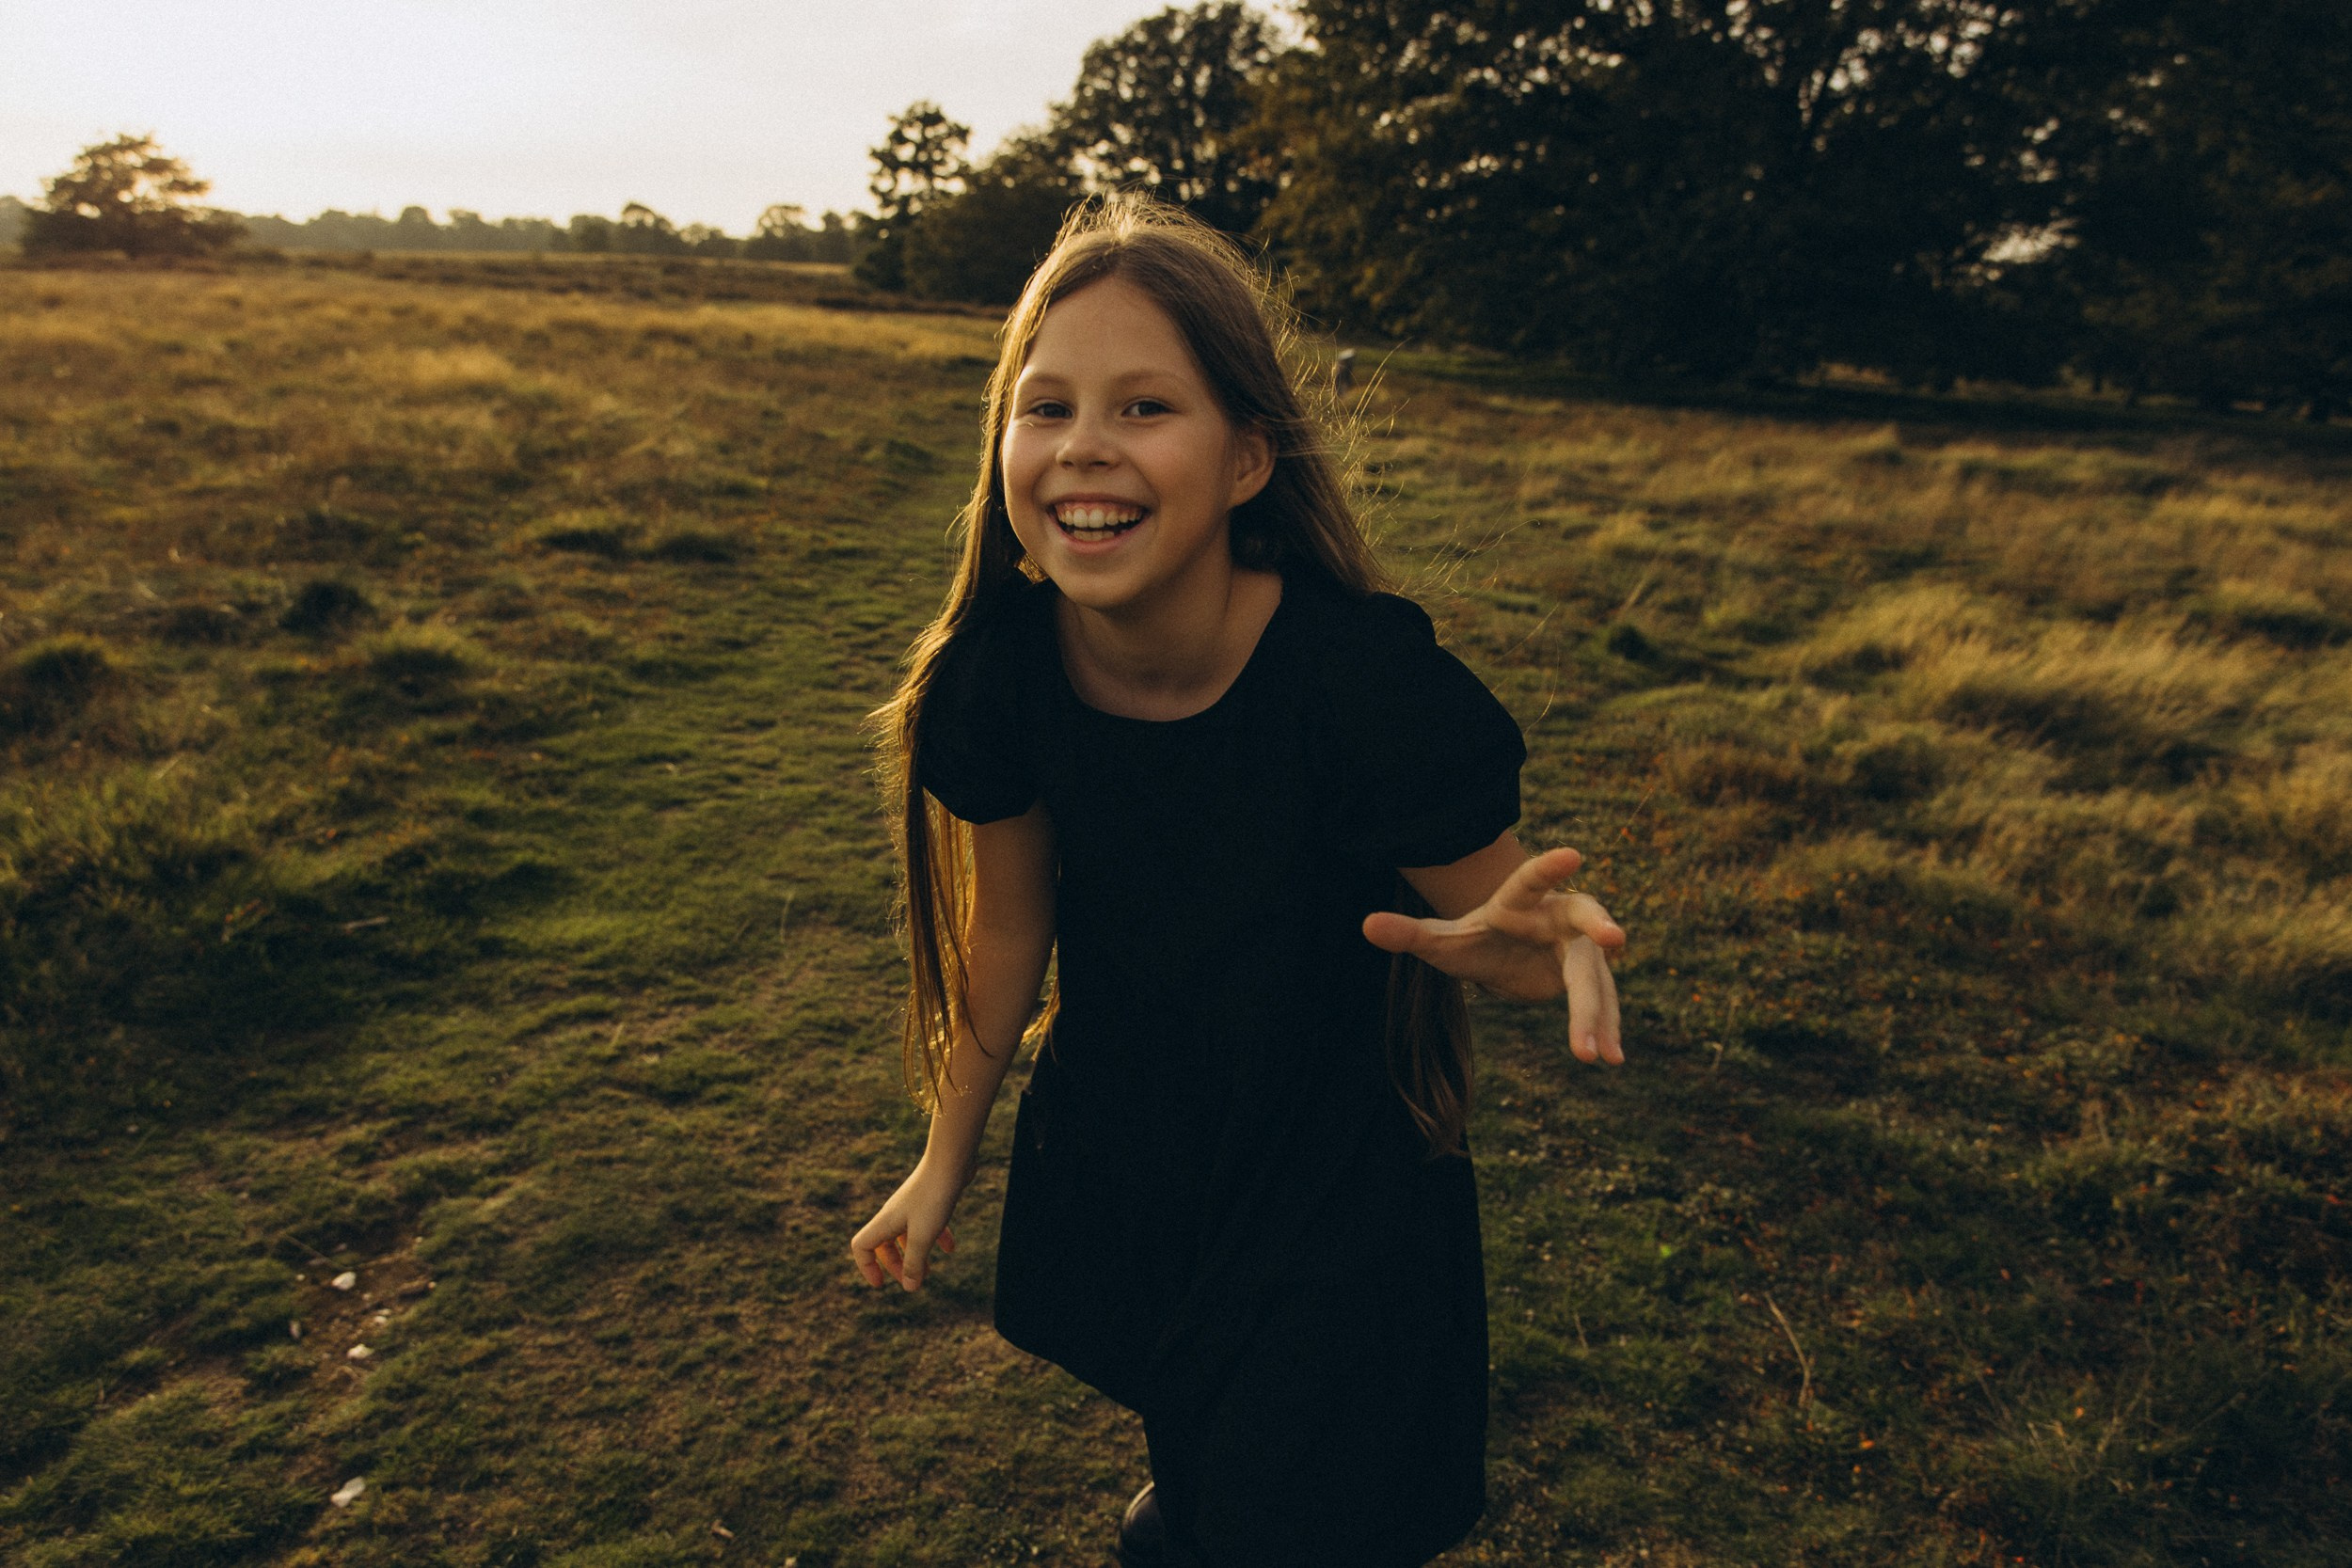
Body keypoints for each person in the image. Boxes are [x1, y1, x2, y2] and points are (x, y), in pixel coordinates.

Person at [850, 195, 1627, 1568]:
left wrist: (1535, 939)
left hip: (1334, 1184)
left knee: (1298, 1511)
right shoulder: (1006, 677)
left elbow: (1501, 929)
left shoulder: (1359, 687)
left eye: (1145, 407)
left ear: (1248, 458)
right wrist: (941, 1158)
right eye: (1047, 408)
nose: (1085, 444)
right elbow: (1009, 932)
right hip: (1137, 1155)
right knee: (1203, 1462)